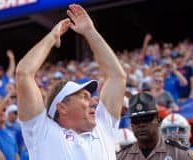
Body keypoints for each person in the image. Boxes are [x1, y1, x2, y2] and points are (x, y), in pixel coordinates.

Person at [16, 4, 126, 160]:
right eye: (84, 97)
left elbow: (117, 76)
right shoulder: (42, 132)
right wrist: (52, 37)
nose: (93, 102)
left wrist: (90, 32)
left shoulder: (103, 126)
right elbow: (24, 73)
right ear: (62, 107)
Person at [117, 93, 193, 160]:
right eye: (136, 120)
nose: (141, 124)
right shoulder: (121, 157)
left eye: (146, 118)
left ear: (157, 120)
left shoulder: (181, 155)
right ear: (131, 124)